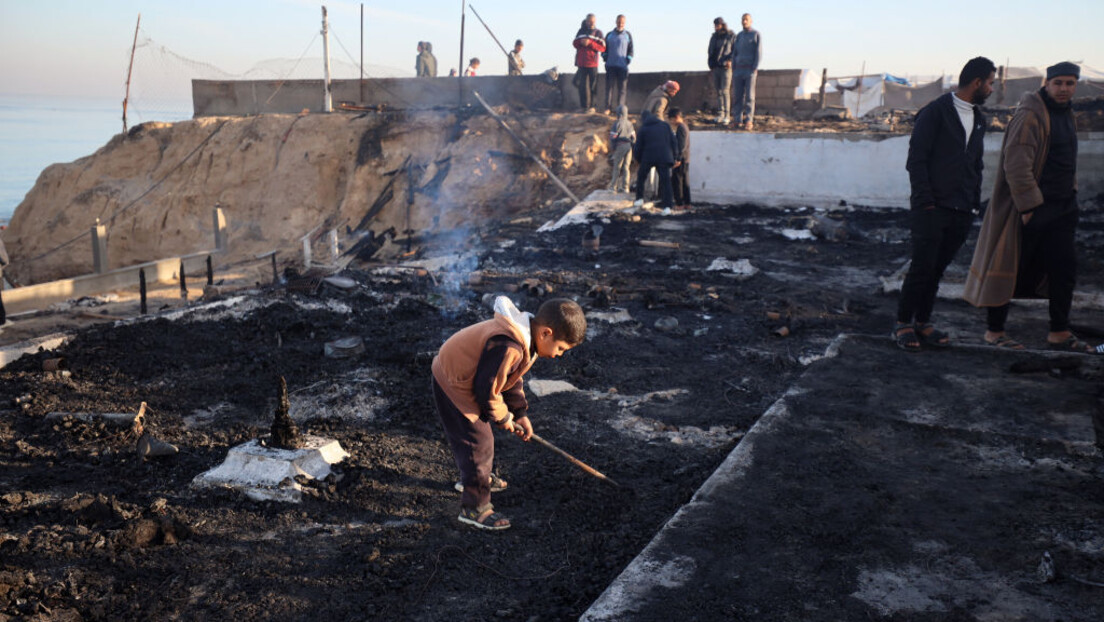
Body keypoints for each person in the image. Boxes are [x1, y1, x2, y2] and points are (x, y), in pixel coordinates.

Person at [964, 62, 1101, 354]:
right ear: (1047, 83)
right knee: (1010, 266)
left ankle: (1059, 332)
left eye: (1070, 83)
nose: (1064, 89)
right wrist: (1028, 207)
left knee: (1063, 270)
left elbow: (1067, 157)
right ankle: (994, 332)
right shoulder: (1030, 114)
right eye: (1059, 83)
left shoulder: (1066, 114)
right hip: (1033, 208)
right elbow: (1016, 163)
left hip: (1063, 207)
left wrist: (1072, 192)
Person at [432, 296, 587, 530]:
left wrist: (519, 412)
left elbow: (511, 379)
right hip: (454, 382)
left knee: (480, 442)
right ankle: (475, 508)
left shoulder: (525, 340)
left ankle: (477, 479)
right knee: (478, 443)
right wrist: (503, 417)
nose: (560, 355)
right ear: (546, 333)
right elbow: (487, 390)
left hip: (466, 378)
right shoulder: (509, 345)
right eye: (561, 348)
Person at [894, 57, 996, 352]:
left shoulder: (979, 119)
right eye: (990, 83)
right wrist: (925, 202)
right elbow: (917, 160)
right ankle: (902, 322)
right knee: (922, 267)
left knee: (937, 269)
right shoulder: (935, 113)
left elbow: (975, 164)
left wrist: (973, 204)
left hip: (962, 209)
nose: (991, 89)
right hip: (932, 208)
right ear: (977, 82)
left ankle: (923, 322)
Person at [633, 111, 677, 209]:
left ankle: (639, 199)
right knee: (666, 182)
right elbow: (673, 141)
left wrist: (638, 159)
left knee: (641, 178)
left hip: (648, 157)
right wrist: (675, 156)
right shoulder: (665, 126)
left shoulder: (643, 129)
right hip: (664, 158)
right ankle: (668, 207)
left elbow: (638, 147)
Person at [731, 13, 761, 130]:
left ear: (751, 21)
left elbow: (758, 52)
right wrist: (734, 67)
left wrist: (754, 67)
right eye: (743, 20)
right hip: (738, 70)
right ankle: (737, 120)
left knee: (749, 96)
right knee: (737, 96)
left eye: (746, 20)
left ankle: (749, 120)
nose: (744, 22)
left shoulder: (755, 35)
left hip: (749, 70)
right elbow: (734, 53)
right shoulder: (738, 36)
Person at [572, 13, 606, 112]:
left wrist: (590, 43)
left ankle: (592, 106)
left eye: (593, 22)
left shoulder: (598, 33)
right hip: (582, 63)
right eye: (589, 21)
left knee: (593, 86)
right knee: (581, 86)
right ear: (586, 21)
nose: (591, 23)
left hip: (592, 63)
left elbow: (603, 47)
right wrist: (581, 42)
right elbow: (574, 43)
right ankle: (583, 106)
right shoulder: (581, 31)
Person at [707, 17, 736, 125]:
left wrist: (730, 60)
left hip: (726, 67)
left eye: (718, 25)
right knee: (718, 91)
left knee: (725, 91)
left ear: (722, 24)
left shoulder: (730, 35)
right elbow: (710, 51)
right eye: (715, 25)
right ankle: (721, 114)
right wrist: (710, 64)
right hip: (716, 67)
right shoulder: (714, 37)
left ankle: (727, 115)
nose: (716, 27)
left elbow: (734, 50)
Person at [603, 15, 633, 114]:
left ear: (624, 23)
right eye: (619, 22)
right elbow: (604, 49)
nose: (620, 24)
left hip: (622, 67)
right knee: (609, 88)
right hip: (610, 65)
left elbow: (631, 50)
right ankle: (607, 108)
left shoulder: (628, 35)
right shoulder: (609, 35)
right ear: (616, 22)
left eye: (622, 22)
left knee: (622, 89)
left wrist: (628, 60)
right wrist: (605, 57)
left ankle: (620, 109)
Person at [608, 104, 636, 193]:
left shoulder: (617, 123)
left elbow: (613, 137)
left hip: (620, 146)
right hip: (629, 146)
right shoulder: (630, 123)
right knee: (626, 167)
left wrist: (613, 148)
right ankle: (625, 188)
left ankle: (613, 187)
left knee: (617, 167)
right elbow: (634, 138)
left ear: (619, 113)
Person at [669, 108, 691, 209]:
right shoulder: (685, 127)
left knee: (677, 181)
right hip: (686, 158)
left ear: (677, 117)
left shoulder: (681, 128)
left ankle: (679, 204)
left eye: (672, 120)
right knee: (685, 181)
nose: (671, 122)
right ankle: (687, 203)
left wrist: (677, 159)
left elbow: (681, 146)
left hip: (681, 159)